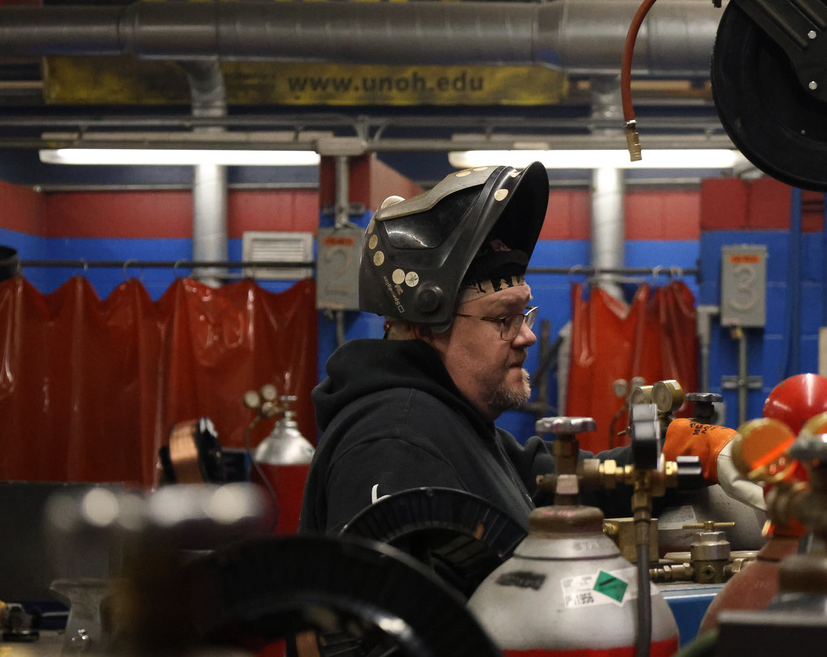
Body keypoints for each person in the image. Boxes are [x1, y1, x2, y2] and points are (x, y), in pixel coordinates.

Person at [298, 162, 762, 536]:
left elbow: (556, 484)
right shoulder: (397, 443)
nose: (527, 336)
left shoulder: (454, 424)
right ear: (425, 329)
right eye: (503, 319)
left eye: (524, 315)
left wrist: (684, 448)